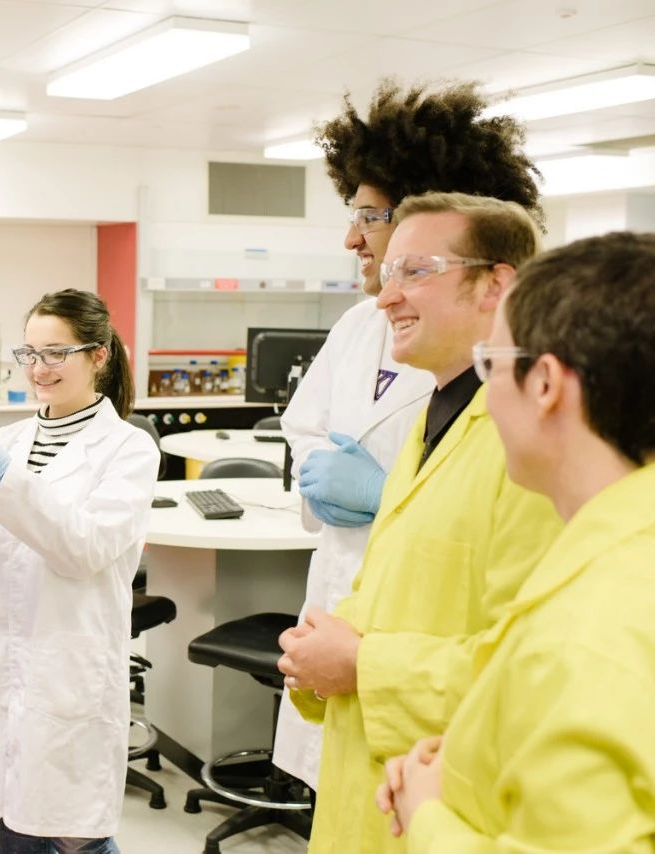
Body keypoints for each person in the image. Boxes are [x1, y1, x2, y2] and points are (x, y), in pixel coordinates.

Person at [274, 79, 543, 790]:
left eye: (370, 216)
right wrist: (320, 478)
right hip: (345, 615)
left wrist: (390, 492)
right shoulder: (360, 324)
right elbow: (305, 424)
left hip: (427, 675)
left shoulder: (515, 390)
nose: (352, 238)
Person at [379, 232, 655, 850]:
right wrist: (474, 759)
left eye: (491, 365)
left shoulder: (589, 630)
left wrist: (428, 816)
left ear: (546, 384)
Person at [0, 289, 158, 854]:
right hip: (1, 665)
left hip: (67, 668)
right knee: (15, 824)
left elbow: (83, 548)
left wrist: (2, 478)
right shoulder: (8, 441)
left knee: (75, 837)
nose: (38, 369)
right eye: (29, 354)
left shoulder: (128, 449)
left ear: (99, 355)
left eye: (56, 353)